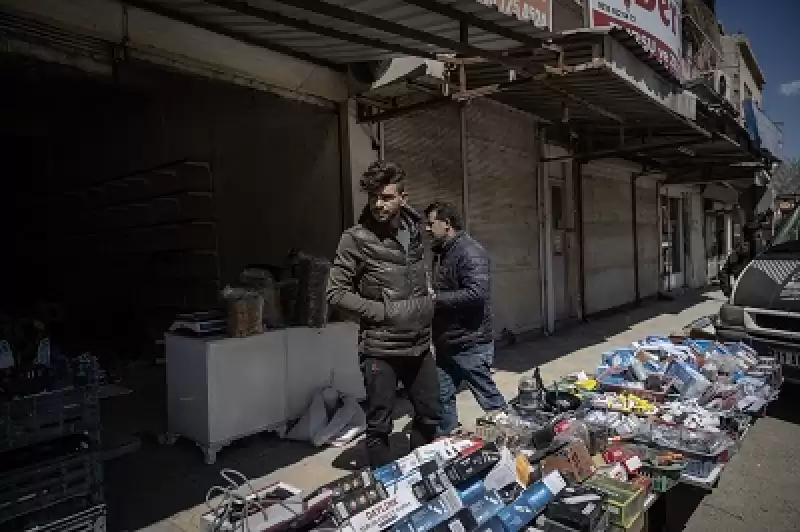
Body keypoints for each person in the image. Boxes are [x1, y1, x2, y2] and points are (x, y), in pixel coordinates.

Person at [326, 161, 440, 468]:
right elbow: (335, 293)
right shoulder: (356, 238)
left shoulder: (415, 230)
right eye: (374, 196)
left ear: (403, 198)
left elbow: (413, 272)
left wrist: (426, 296)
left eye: (387, 196)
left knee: (430, 413)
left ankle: (421, 472)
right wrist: (384, 312)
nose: (379, 203)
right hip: (381, 349)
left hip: (418, 343)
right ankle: (385, 486)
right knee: (380, 424)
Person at [424, 201, 507, 436]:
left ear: (447, 224)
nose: (427, 229)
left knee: (488, 398)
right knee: (442, 397)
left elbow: (477, 293)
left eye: (431, 224)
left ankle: (512, 437)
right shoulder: (442, 252)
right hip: (447, 342)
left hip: (471, 341)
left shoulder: (470, 251)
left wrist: (435, 299)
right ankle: (447, 440)